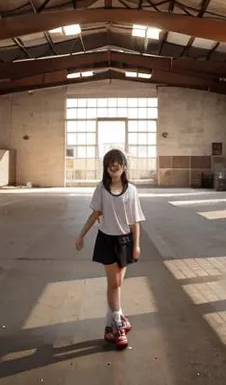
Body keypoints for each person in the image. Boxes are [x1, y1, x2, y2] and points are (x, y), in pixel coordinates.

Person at [75, 149, 145, 350]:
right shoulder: (101, 188)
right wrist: (81, 235)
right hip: (106, 240)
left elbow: (135, 221)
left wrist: (137, 245)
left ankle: (111, 322)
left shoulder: (131, 190)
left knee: (118, 283)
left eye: (118, 163)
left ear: (124, 166)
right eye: (110, 163)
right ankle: (118, 326)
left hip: (125, 241)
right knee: (114, 284)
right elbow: (95, 213)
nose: (114, 166)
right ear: (106, 168)